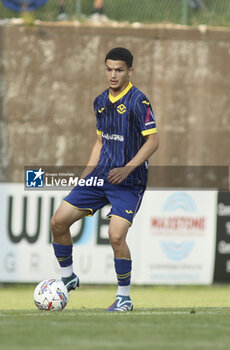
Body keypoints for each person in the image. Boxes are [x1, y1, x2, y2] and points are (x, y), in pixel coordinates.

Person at [51, 47, 159, 312]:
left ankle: (124, 297)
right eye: (109, 69)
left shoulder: (138, 101)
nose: (113, 74)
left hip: (129, 182)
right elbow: (100, 142)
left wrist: (128, 169)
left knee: (116, 236)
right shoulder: (100, 101)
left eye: (119, 70)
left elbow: (153, 141)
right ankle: (69, 278)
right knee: (58, 222)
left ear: (130, 71)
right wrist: (85, 176)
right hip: (100, 176)